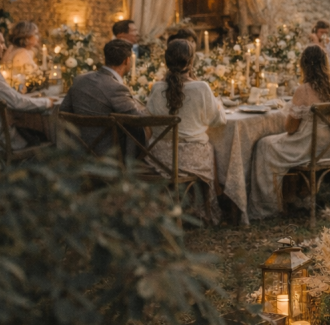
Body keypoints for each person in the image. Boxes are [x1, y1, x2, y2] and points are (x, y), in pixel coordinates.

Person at [249, 44, 330, 219]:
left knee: (263, 145)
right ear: (326, 63)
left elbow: (290, 128)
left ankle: (269, 206)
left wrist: (287, 113)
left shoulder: (304, 90)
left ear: (304, 66)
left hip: (314, 148)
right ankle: (294, 195)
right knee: (275, 143)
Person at [146, 39, 225, 217]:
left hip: (159, 159)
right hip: (191, 158)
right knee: (212, 148)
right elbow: (217, 121)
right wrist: (219, 106)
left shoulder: (157, 88)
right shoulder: (201, 87)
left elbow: (149, 119)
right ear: (191, 61)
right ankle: (208, 206)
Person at [60, 39, 148, 155]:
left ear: (105, 58)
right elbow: (138, 119)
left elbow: (64, 110)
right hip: (108, 155)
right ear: (127, 61)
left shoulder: (79, 79)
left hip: (78, 151)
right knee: (145, 129)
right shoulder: (116, 88)